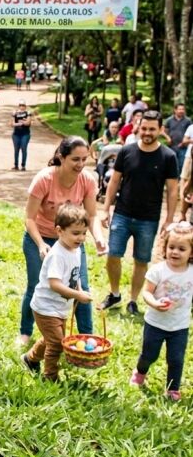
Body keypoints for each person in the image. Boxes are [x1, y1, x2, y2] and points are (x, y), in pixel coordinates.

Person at [18, 136, 106, 345]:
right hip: (39, 237)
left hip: (72, 241)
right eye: (76, 159)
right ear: (61, 156)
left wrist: (99, 238)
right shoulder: (44, 179)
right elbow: (29, 218)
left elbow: (92, 216)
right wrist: (41, 244)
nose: (81, 165)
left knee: (81, 287)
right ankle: (25, 332)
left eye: (85, 159)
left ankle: (87, 337)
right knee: (36, 285)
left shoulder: (87, 180)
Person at [100, 111, 179, 315]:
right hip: (122, 213)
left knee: (141, 260)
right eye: (144, 128)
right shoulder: (127, 151)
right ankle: (115, 293)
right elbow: (114, 181)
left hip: (149, 218)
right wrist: (105, 208)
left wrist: (169, 219)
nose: (147, 132)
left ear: (160, 130)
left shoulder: (168, 157)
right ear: (138, 127)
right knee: (113, 254)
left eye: (152, 129)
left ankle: (133, 300)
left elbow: (172, 190)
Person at [21, 203, 94, 381]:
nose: (81, 238)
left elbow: (75, 274)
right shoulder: (57, 255)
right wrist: (77, 295)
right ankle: (50, 376)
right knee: (57, 343)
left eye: (84, 233)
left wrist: (80, 289)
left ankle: (30, 359)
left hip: (59, 306)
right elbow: (54, 284)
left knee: (50, 339)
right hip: (45, 307)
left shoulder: (75, 251)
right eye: (76, 233)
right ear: (60, 231)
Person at [128, 222, 193, 401]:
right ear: (165, 248)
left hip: (179, 326)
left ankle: (173, 389)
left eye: (181, 249)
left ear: (191, 253)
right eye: (171, 247)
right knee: (149, 354)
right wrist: (155, 303)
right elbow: (147, 292)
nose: (175, 252)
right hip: (155, 323)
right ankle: (140, 372)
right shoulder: (158, 270)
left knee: (176, 359)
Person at [162, 103, 191, 177]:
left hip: (183, 147)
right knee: (171, 164)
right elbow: (163, 130)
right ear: (175, 110)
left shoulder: (188, 121)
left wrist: (184, 143)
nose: (181, 111)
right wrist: (167, 137)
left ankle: (179, 183)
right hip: (171, 146)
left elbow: (190, 133)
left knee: (181, 165)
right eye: (179, 109)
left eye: (183, 109)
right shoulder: (169, 120)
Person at [11, 100, 33, 171]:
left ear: (25, 106)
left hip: (25, 134)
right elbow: (12, 123)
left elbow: (28, 123)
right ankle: (16, 165)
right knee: (16, 150)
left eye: (23, 105)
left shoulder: (28, 113)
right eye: (20, 105)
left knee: (24, 148)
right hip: (16, 134)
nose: (21, 107)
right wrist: (22, 122)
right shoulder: (15, 113)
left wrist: (21, 122)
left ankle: (23, 165)